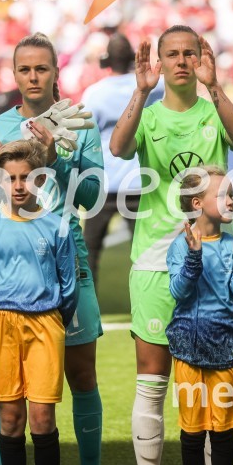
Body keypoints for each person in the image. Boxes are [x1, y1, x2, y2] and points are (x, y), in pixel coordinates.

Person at [109, 25, 233, 465]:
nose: (182, 61)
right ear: (159, 62)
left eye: (190, 53)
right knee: (153, 380)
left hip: (212, 260)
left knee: (208, 383)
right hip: (155, 261)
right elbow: (117, 147)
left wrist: (215, 84)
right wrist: (140, 92)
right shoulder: (149, 115)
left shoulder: (213, 109)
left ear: (201, 57)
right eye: (172, 54)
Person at [0, 32, 104, 465]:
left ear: (55, 73)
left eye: (41, 68)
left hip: (68, 265)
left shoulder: (79, 122)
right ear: (14, 74)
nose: (33, 76)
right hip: (13, 272)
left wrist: (55, 161)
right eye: (25, 69)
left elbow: (91, 196)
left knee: (82, 375)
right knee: (8, 389)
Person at [0, 139, 78, 465]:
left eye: (26, 177)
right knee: (11, 418)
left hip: (46, 324)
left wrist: (53, 319)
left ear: (41, 179)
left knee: (43, 418)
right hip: (2, 324)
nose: (18, 186)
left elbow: (69, 288)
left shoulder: (55, 227)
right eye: (10, 178)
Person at [167, 166, 233, 465]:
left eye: (231, 194)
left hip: (225, 349)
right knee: (192, 432)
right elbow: (179, 292)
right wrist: (194, 256)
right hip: (188, 350)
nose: (230, 201)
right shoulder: (181, 245)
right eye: (222, 195)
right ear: (197, 204)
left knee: (223, 432)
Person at [81, 32, 163, 286]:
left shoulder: (94, 93)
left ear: (106, 60)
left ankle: (87, 306)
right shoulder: (153, 88)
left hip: (105, 181)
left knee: (90, 250)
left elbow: (85, 137)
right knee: (146, 251)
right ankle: (150, 299)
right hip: (140, 179)